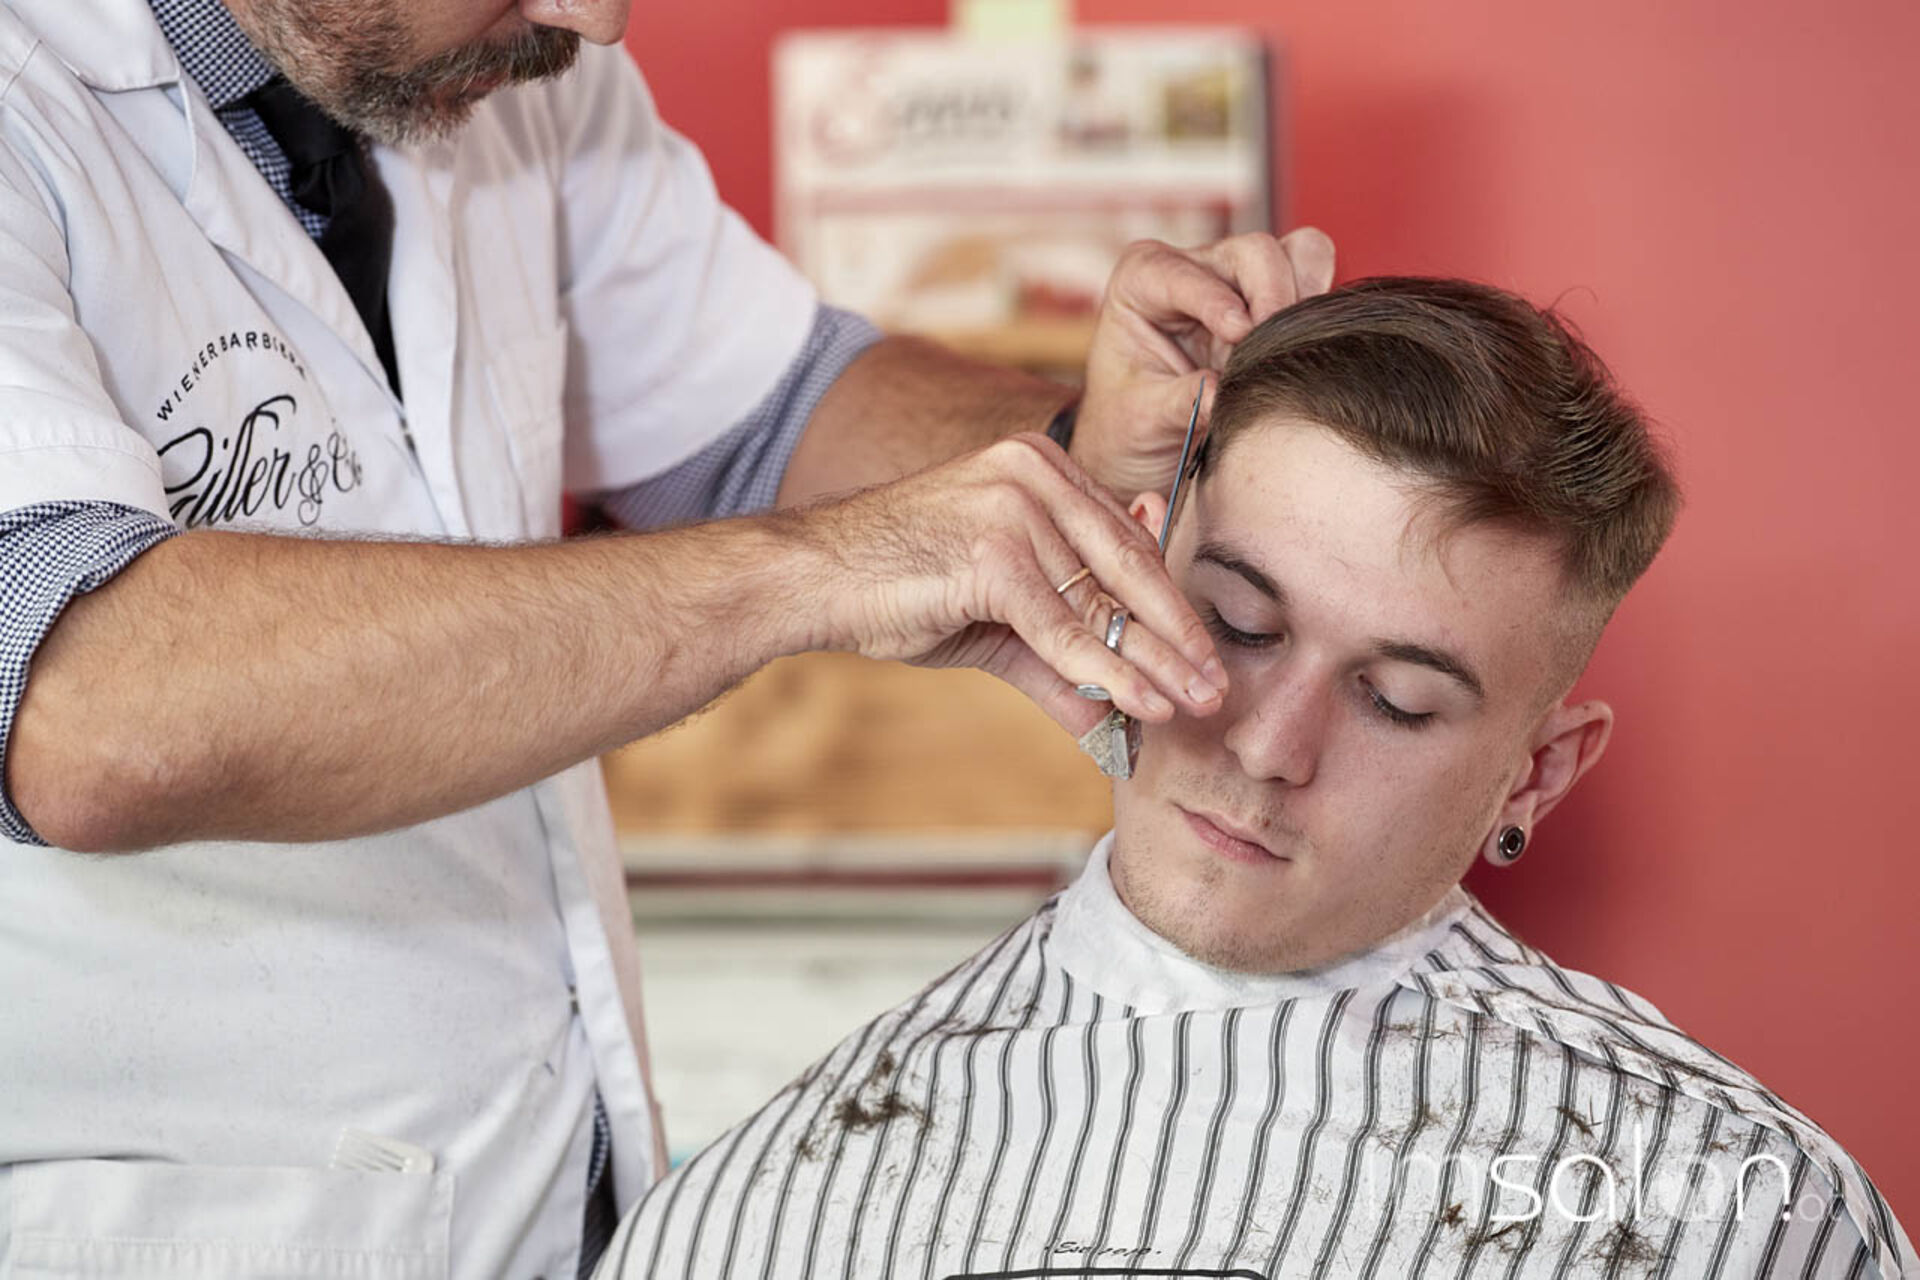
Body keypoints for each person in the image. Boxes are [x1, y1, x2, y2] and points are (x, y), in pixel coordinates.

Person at [0, 0, 1337, 1275]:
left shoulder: (518, 69)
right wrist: (815, 573)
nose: (599, 22)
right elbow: (85, 710)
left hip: (536, 1196)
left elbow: (766, 414)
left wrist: (1081, 455)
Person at [597, 279, 1918, 1280]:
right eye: (1237, 625)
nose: (1269, 746)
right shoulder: (760, 1209)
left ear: (1536, 776)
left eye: (1396, 702)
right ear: (1126, 571)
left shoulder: (1737, 1217)